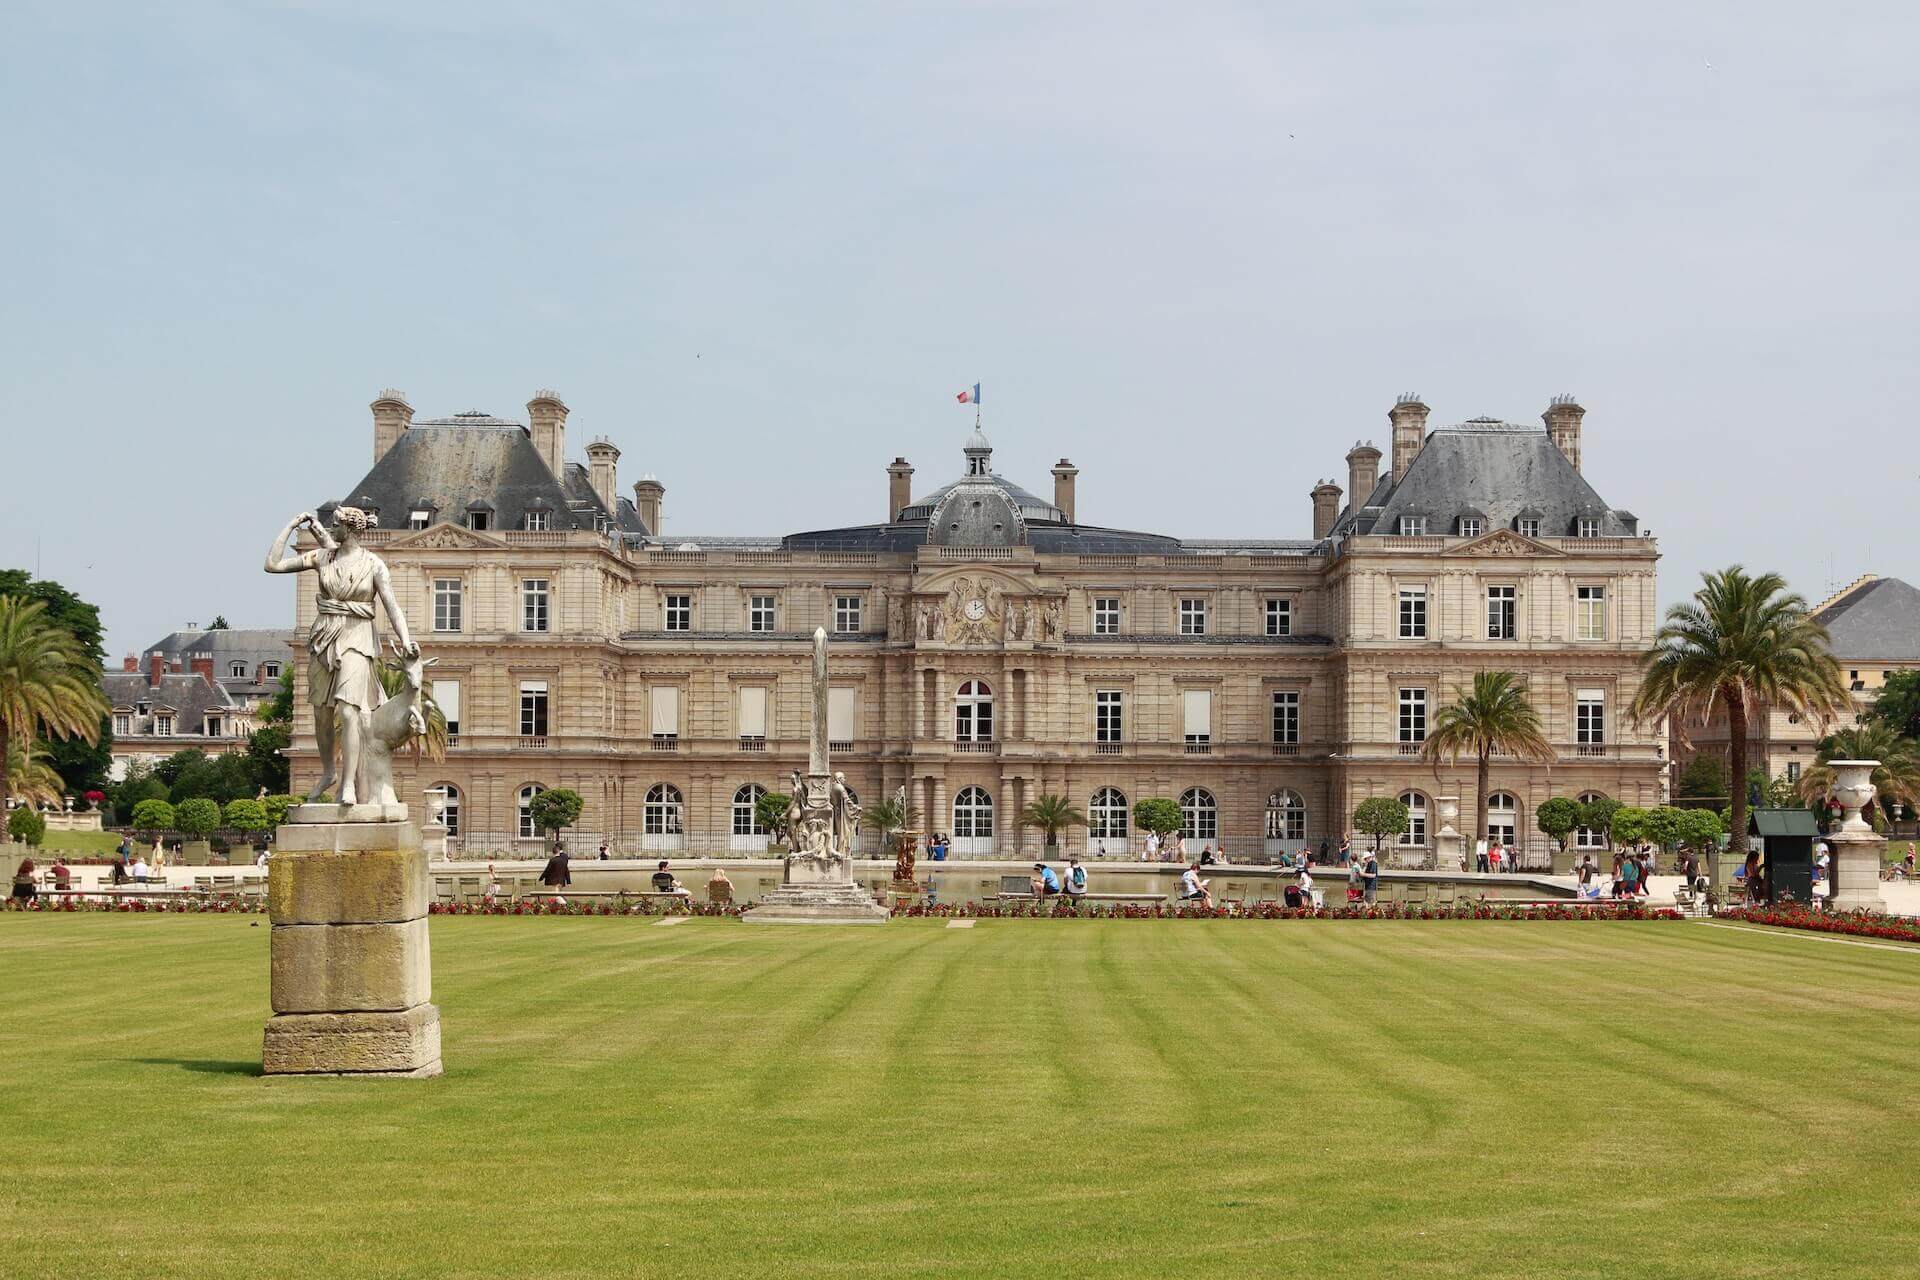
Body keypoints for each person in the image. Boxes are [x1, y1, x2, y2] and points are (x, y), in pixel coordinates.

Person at [264, 505, 419, 806]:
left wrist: (408, 641)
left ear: (349, 528)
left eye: (335, 524)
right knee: (322, 714)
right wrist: (291, 525)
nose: (331, 528)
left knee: (349, 711)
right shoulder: (324, 558)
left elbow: (392, 606)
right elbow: (272, 565)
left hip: (358, 637)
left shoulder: (374, 565)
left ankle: (348, 785)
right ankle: (328, 773)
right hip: (324, 637)